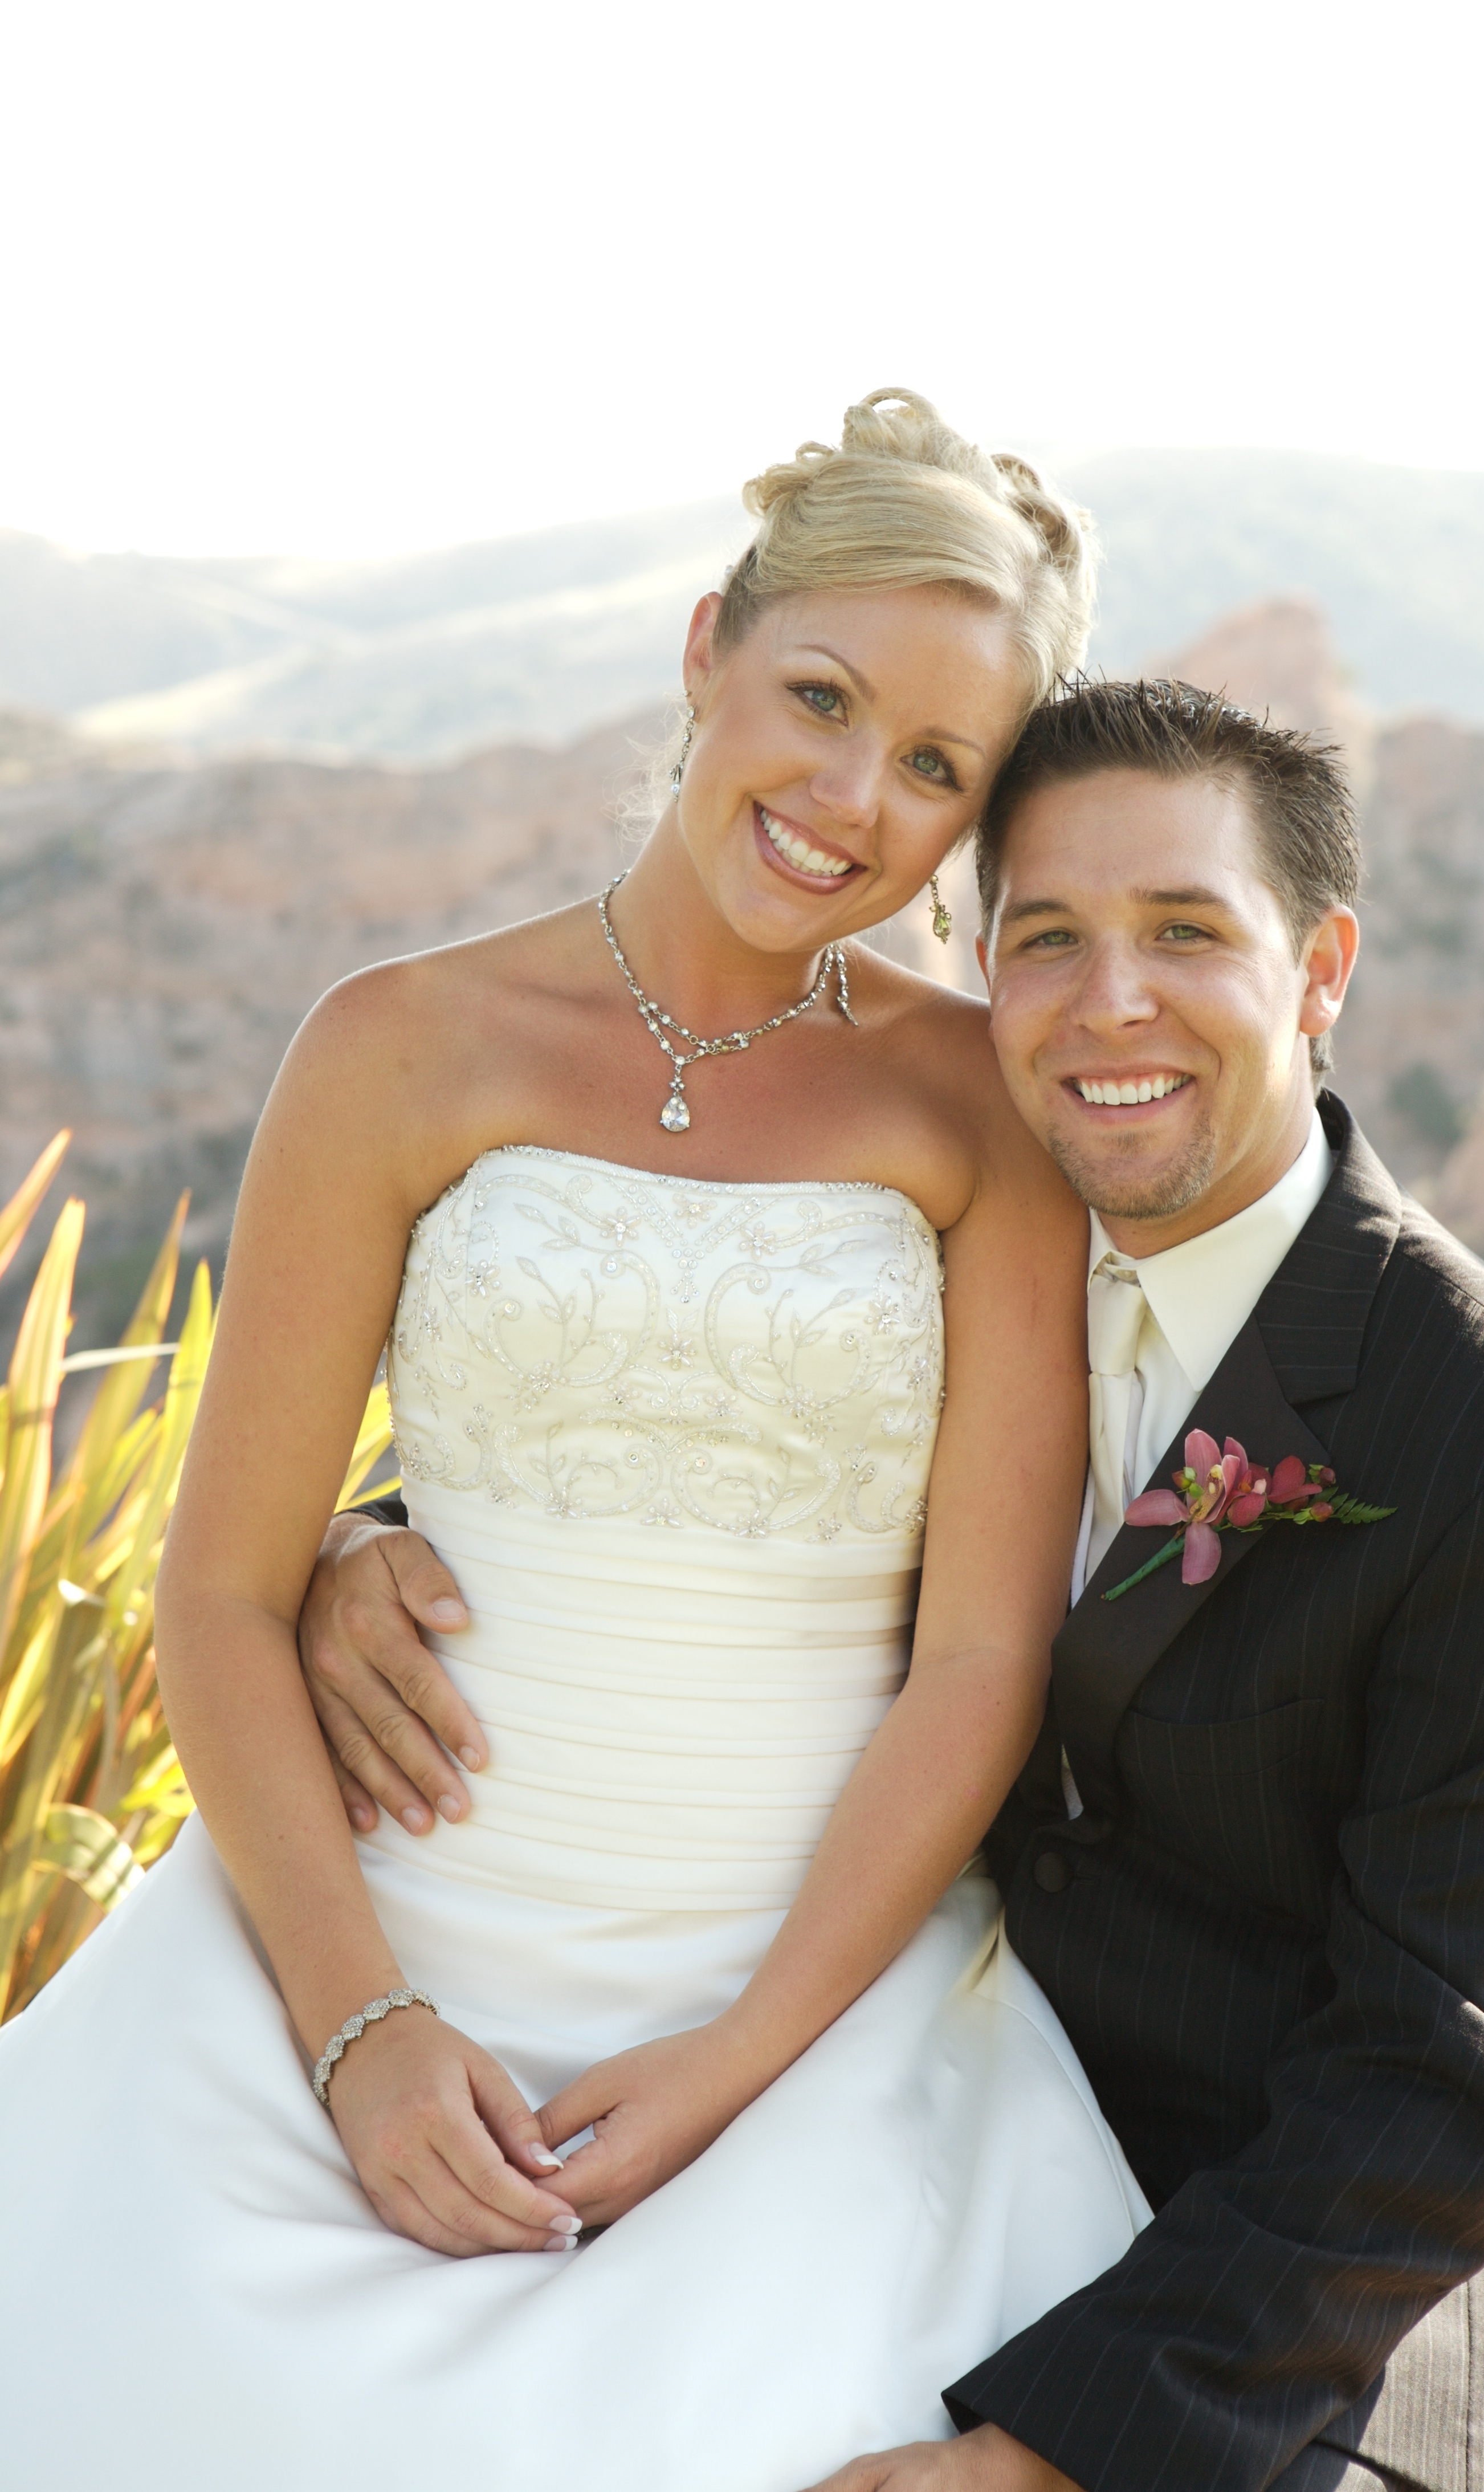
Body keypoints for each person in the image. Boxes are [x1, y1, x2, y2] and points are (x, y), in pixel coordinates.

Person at [0, 393, 1155, 2490]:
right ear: (708, 647)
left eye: (934, 768)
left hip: (801, 2001)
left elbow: (980, 1655)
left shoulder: (981, 1112)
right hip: (353, 1963)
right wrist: (358, 2034)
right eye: (819, 698)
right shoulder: (393, 1042)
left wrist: (734, 2062)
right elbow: (224, 1590)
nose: (849, 801)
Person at [321, 681, 1484, 2492]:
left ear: (1320, 968)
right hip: (902, 2155)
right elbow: (700, 1471)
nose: (1110, 1001)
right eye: (1046, 939)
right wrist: (362, 1549)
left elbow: (1447, 2071)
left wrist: (1052, 2451)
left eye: (1183, 931)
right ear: (974, 963)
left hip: (1314, 2319)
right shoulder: (930, 1265)